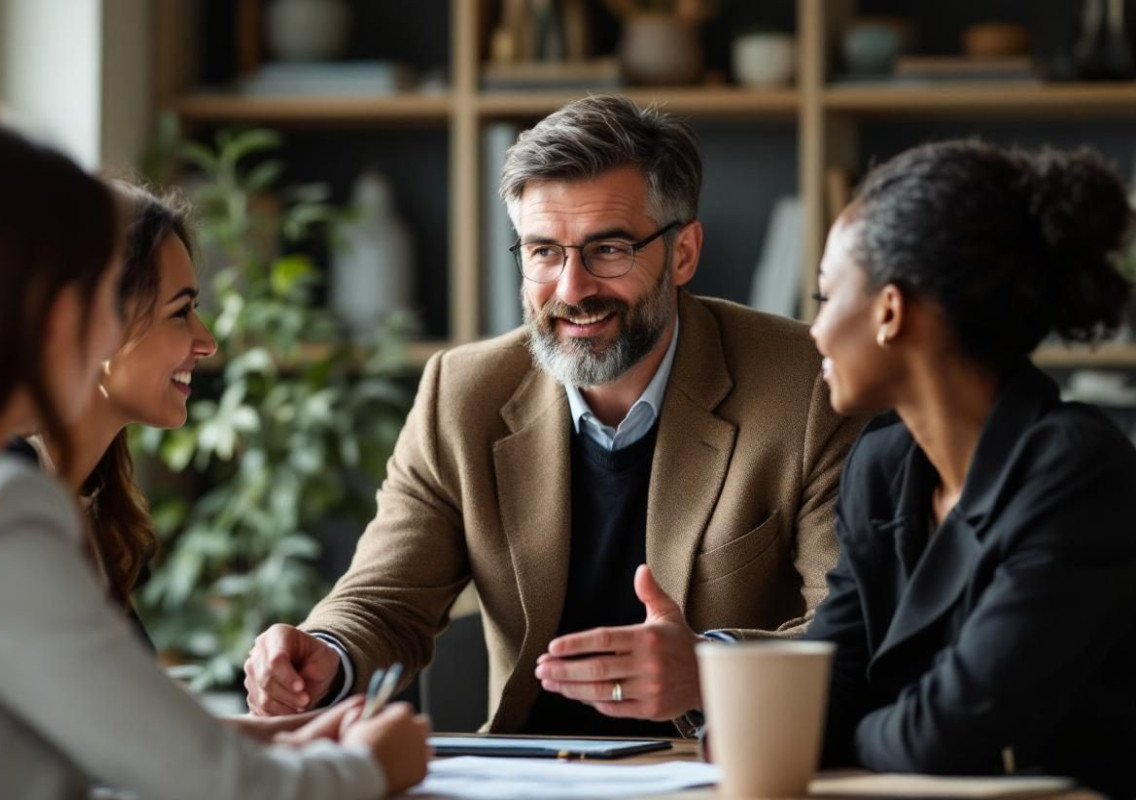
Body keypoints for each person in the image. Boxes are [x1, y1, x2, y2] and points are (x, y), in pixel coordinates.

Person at [0, 118, 428, 800]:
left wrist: (279, 743)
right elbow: (216, 788)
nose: (99, 327)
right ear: (10, 302)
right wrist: (369, 766)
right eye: (83, 291)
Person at [244, 95, 865, 737]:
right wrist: (325, 655)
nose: (572, 290)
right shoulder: (462, 394)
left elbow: (858, 625)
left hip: (718, 772)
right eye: (544, 252)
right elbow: (385, 599)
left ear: (683, 253)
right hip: (527, 777)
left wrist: (710, 669)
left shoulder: (807, 385)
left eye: (610, 249)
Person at [805, 140, 1136, 796]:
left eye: (824, 295)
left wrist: (851, 725)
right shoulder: (881, 466)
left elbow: (952, 732)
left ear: (890, 312)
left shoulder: (1077, 471)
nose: (813, 329)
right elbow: (819, 688)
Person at [8, 182, 215, 648]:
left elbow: (136, 716)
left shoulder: (87, 507)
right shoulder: (11, 487)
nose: (207, 342)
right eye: (181, 312)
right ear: (100, 326)